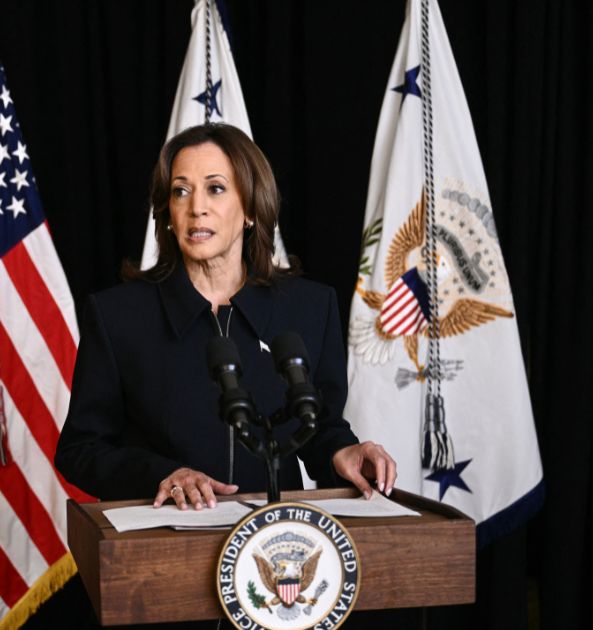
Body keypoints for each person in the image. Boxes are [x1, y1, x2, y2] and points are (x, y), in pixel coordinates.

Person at [54, 123, 395, 510]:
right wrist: (162, 474)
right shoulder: (118, 315)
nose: (196, 206)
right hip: (163, 543)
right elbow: (81, 449)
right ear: (168, 213)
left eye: (215, 188)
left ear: (250, 208)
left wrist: (344, 451)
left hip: (277, 546)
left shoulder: (310, 308)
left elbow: (318, 426)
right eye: (181, 191)